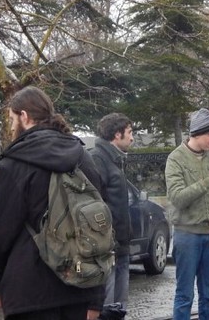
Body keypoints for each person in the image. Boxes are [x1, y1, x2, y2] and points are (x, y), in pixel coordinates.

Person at [0, 86, 105, 320]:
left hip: (29, 289)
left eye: (11, 119)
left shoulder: (15, 162)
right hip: (78, 282)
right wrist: (96, 295)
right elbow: (100, 224)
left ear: (24, 117)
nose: (10, 127)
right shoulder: (83, 157)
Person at [165, 109, 209, 320]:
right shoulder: (176, 159)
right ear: (197, 133)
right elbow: (178, 198)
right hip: (187, 235)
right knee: (184, 294)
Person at [89, 113, 133, 308]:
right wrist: (108, 240)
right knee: (107, 306)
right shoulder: (97, 159)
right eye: (130, 132)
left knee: (120, 305)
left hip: (121, 243)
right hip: (108, 246)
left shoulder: (115, 158)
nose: (132, 138)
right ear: (117, 134)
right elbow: (96, 204)